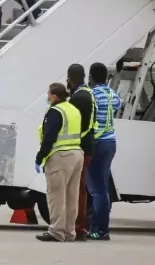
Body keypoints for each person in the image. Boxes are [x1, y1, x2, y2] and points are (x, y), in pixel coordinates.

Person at [35, 83, 84, 242]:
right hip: (77, 154)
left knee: (56, 196)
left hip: (60, 156)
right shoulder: (73, 109)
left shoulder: (55, 111)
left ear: (54, 96)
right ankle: (69, 232)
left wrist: (40, 157)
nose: (47, 96)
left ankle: (56, 231)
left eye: (48, 93)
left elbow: (49, 137)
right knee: (71, 196)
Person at [85, 62, 121, 241]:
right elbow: (118, 105)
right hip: (110, 143)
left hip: (97, 143)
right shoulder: (112, 94)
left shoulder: (92, 95)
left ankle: (101, 230)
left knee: (97, 190)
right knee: (102, 187)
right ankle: (94, 227)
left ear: (90, 76)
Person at [66, 63, 97, 242]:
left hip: (80, 147)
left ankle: (78, 227)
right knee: (79, 188)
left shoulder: (80, 98)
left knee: (77, 189)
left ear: (70, 78)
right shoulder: (87, 93)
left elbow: (79, 125)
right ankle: (78, 226)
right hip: (87, 146)